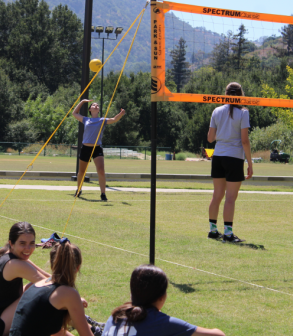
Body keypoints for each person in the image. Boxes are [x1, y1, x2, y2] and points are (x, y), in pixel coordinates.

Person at [0, 222, 50, 336]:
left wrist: (68, 289)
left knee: (34, 288)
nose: (28, 248)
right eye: (22, 243)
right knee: (39, 294)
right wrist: (74, 299)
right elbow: (49, 286)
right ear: (11, 243)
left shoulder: (13, 255)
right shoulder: (15, 264)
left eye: (32, 243)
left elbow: (47, 277)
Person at [103, 265, 225, 336]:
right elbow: (218, 335)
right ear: (162, 297)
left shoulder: (115, 316)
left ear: (131, 294)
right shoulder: (161, 322)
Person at [9, 239, 94, 336]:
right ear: (77, 268)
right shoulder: (69, 293)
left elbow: (54, 331)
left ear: (52, 264)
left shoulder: (36, 285)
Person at [207, 82, 253, 243]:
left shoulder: (217, 111)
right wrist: (250, 163)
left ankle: (213, 230)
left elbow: (210, 138)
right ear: (241, 95)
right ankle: (227, 233)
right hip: (234, 158)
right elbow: (245, 141)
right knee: (230, 198)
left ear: (225, 94)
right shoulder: (243, 112)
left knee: (217, 196)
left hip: (218, 156)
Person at [72, 99, 125, 201]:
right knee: (81, 172)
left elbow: (114, 119)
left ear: (99, 110)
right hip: (85, 148)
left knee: (101, 171)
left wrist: (121, 114)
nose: (96, 106)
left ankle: (103, 194)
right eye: (93, 105)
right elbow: (74, 113)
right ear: (90, 109)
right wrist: (82, 101)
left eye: (97, 105)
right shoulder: (86, 119)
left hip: (97, 148)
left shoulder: (102, 120)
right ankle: (78, 190)